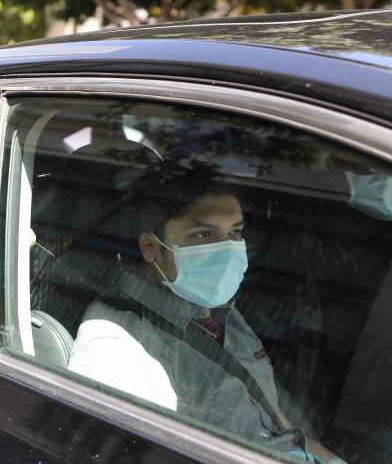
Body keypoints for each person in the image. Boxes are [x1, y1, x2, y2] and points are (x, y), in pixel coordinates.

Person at [67, 177, 342, 462]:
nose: (227, 250)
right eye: (203, 235)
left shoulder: (221, 312)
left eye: (235, 233)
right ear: (151, 247)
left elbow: (276, 422)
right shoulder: (120, 347)